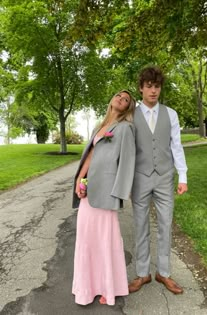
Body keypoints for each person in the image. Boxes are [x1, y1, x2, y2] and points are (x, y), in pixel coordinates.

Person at [72, 90, 136, 306]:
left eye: (126, 99)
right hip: (89, 191)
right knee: (86, 239)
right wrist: (80, 180)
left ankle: (110, 288)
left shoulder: (126, 128)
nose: (121, 99)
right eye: (119, 95)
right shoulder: (98, 127)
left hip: (107, 193)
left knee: (105, 240)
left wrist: (118, 194)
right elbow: (90, 155)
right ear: (112, 99)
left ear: (127, 108)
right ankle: (86, 287)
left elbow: (127, 162)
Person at [129, 66, 188, 295]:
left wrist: (182, 176)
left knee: (165, 225)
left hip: (164, 178)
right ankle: (142, 273)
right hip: (139, 178)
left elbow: (176, 146)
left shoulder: (171, 114)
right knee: (140, 226)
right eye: (149, 86)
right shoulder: (131, 114)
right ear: (141, 88)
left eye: (157, 86)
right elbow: (126, 148)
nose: (153, 91)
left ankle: (164, 272)